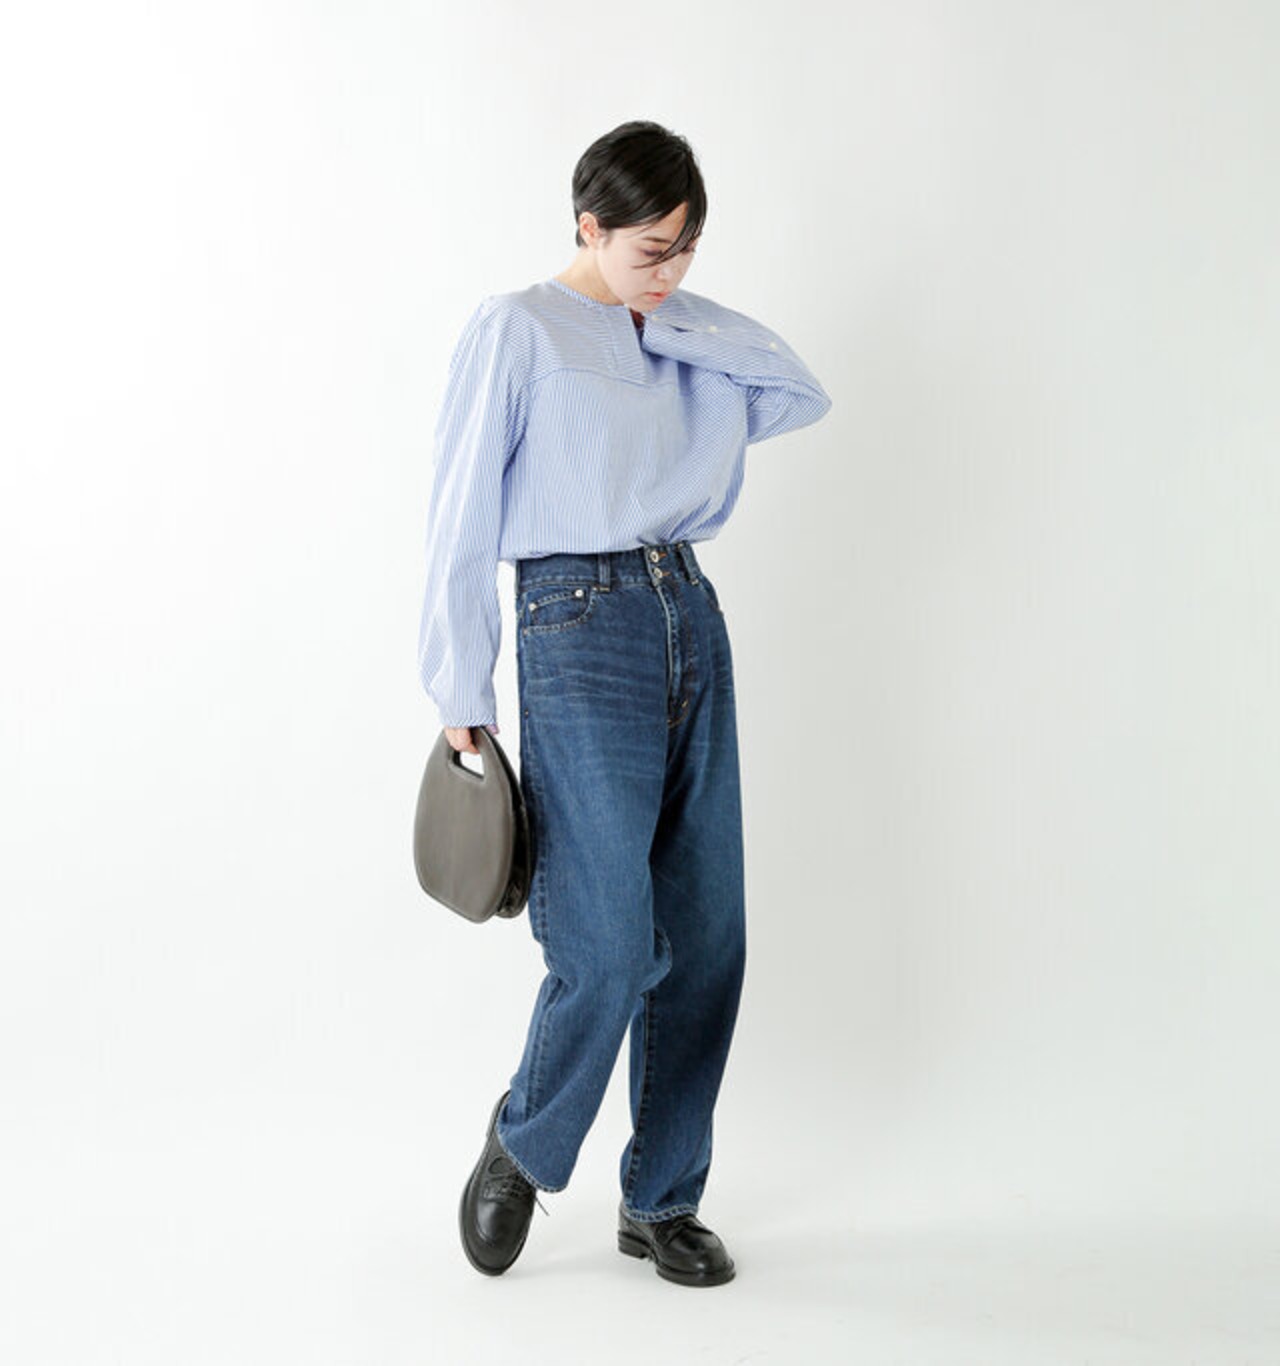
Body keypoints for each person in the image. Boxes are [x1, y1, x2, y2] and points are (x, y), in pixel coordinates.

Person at [416, 120, 833, 1286]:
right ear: (586, 225)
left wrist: (663, 309)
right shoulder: (517, 328)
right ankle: (523, 1140)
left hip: (687, 610)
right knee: (604, 943)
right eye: (651, 248)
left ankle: (660, 1199)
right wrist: (459, 684)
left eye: (687, 248)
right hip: (575, 622)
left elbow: (796, 392)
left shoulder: (678, 333)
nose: (671, 269)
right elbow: (458, 514)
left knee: (704, 932)